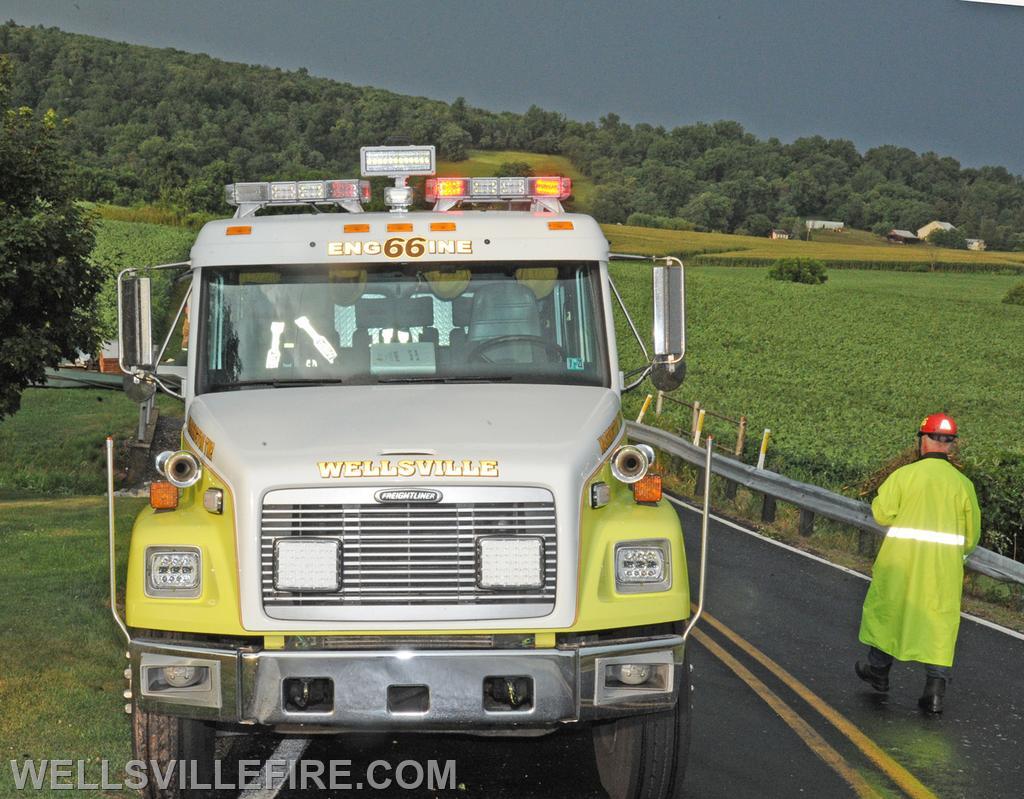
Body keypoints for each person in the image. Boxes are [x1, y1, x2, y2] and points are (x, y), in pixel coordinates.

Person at [855, 412, 981, 714]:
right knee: (938, 622)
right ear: (950, 444)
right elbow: (971, 536)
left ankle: (879, 672)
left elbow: (882, 514)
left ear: (922, 440)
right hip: (942, 570)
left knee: (889, 611)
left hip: (901, 562)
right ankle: (935, 690)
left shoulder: (904, 476)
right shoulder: (963, 485)